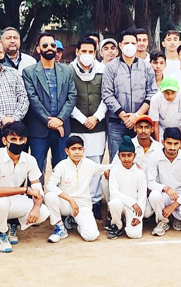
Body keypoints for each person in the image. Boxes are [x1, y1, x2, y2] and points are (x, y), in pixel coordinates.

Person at [0, 122, 50, 253]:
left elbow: (38, 189)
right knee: (2, 203)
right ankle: (0, 233)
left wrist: (36, 207)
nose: (18, 143)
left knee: (43, 212)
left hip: (15, 201)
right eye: (13, 139)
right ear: (4, 140)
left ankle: (12, 224)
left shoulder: (30, 159)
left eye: (21, 139)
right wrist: (24, 190)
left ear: (26, 140)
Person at [23, 32, 78, 174]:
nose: (49, 48)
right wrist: (50, 122)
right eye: (45, 45)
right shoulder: (29, 72)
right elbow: (32, 99)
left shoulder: (67, 71)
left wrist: (59, 119)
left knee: (62, 167)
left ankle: (58, 196)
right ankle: (36, 195)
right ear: (38, 49)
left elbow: (72, 96)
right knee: (36, 167)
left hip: (62, 128)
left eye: (53, 45)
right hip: (39, 129)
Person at [101, 29, 158, 157]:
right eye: (126, 43)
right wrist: (123, 116)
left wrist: (137, 115)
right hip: (116, 123)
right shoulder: (111, 67)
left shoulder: (146, 67)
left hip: (140, 122)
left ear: (137, 45)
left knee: (141, 159)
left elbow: (152, 93)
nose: (130, 46)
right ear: (120, 45)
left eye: (133, 43)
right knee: (116, 159)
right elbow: (107, 94)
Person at [69, 37, 107, 216]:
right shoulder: (68, 71)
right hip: (76, 126)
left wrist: (96, 117)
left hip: (97, 127)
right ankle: (76, 202)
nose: (86, 55)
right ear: (77, 52)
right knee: (76, 164)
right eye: (83, 51)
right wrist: (83, 118)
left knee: (94, 164)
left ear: (95, 53)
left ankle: (95, 201)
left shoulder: (103, 70)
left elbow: (107, 96)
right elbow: (67, 98)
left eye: (90, 52)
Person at [45, 136, 108, 243]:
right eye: (73, 149)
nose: (77, 152)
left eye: (80, 149)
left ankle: (76, 222)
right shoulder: (62, 166)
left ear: (83, 150)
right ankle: (60, 228)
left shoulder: (89, 164)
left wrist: (133, 165)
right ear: (67, 151)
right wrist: (70, 200)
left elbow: (107, 168)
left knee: (91, 236)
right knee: (49, 196)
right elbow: (50, 185)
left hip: (82, 205)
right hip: (65, 203)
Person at [146, 128, 181, 236]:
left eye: (176, 144)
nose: (172, 147)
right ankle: (163, 221)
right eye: (169, 143)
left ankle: (177, 218)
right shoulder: (154, 156)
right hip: (164, 194)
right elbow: (150, 182)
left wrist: (173, 205)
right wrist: (166, 188)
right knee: (154, 196)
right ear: (163, 142)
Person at [107, 138, 148, 239]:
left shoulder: (139, 172)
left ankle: (127, 221)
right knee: (114, 203)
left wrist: (139, 217)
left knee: (135, 235)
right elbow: (114, 193)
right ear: (118, 156)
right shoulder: (115, 170)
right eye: (123, 155)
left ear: (134, 155)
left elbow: (142, 196)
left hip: (134, 208)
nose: (126, 159)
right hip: (121, 204)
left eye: (129, 155)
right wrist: (132, 203)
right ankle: (117, 225)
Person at [148, 76, 181, 142]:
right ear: (161, 90)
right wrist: (158, 144)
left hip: (180, 129)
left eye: (173, 93)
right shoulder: (155, 99)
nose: (170, 96)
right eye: (166, 93)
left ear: (177, 90)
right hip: (162, 129)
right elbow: (155, 123)